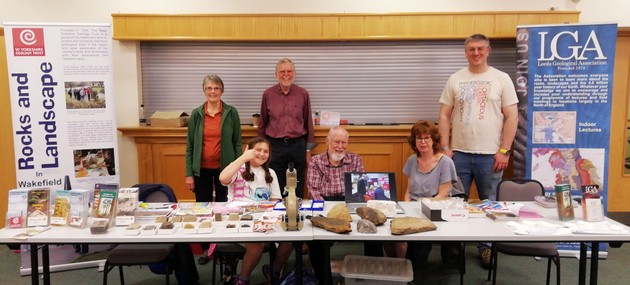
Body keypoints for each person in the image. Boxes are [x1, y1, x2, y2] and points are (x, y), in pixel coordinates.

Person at [438, 33, 518, 268]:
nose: (476, 53)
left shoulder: (501, 78)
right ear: (465, 52)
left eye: (480, 49)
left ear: (488, 50)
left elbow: (512, 116)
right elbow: (444, 114)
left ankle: (486, 249)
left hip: (490, 155)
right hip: (458, 154)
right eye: (471, 49)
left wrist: (504, 150)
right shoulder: (455, 79)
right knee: (454, 203)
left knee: (489, 203)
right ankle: (455, 250)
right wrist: (445, 148)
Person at [306, 126, 383, 284]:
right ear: (327, 141)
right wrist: (327, 213)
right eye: (336, 142)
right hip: (325, 202)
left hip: (351, 201)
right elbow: (314, 190)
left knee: (374, 234)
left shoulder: (355, 159)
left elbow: (361, 189)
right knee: (316, 241)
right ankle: (324, 279)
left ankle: (371, 276)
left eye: (344, 142)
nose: (340, 146)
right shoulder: (316, 161)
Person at [219, 137, 293, 285]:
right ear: (248, 150)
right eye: (258, 150)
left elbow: (275, 201)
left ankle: (273, 271)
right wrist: (242, 158)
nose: (261, 154)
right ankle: (243, 279)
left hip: (264, 219)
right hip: (240, 220)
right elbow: (223, 178)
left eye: (266, 151)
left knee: (289, 241)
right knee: (256, 245)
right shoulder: (238, 170)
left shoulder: (270, 172)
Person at [185, 74, 242, 265]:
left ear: (222, 91)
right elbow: (190, 146)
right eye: (209, 88)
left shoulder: (231, 112)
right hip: (201, 170)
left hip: (225, 170)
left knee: (224, 207)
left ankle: (223, 248)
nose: (212, 91)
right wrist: (189, 174)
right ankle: (206, 250)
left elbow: (237, 143)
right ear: (204, 91)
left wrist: (236, 169)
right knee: (203, 209)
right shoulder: (196, 114)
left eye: (216, 88)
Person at [392, 120, 461, 264]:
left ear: (433, 140)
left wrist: (421, 209)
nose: (422, 142)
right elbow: (408, 190)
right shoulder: (412, 160)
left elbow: (443, 194)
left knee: (421, 248)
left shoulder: (445, 162)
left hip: (436, 208)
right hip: (415, 207)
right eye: (419, 138)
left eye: (426, 138)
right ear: (414, 140)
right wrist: (407, 208)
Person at [258, 58, 315, 198]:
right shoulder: (268, 94)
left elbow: (308, 122)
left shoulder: (303, 94)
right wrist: (260, 148)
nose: (286, 74)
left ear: (294, 73)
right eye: (282, 71)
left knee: (298, 183)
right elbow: (262, 123)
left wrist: (308, 149)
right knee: (276, 184)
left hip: (298, 145)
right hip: (275, 146)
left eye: (289, 71)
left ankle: (297, 214)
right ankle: (278, 216)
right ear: (276, 74)